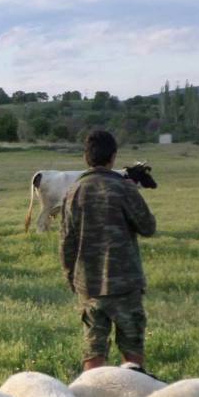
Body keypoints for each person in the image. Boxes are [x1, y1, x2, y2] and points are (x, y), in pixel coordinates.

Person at [60, 130, 156, 372]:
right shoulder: (123, 189)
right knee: (132, 353)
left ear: (86, 157)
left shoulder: (74, 191)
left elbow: (66, 242)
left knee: (93, 352)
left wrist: (71, 277)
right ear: (113, 157)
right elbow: (148, 227)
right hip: (125, 285)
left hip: (89, 285)